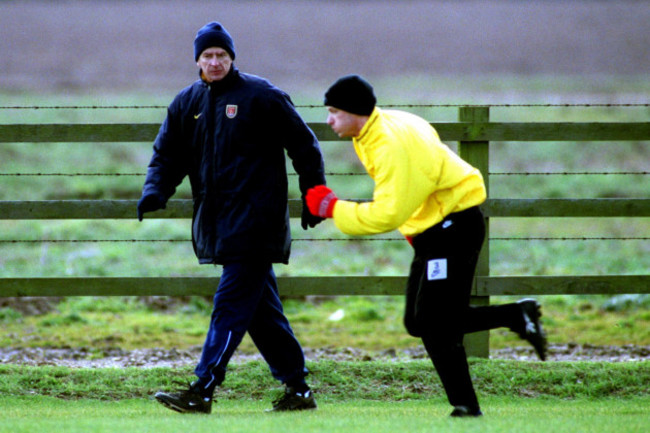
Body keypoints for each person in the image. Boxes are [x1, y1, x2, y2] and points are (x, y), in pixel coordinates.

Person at [306, 75, 547, 418]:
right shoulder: (380, 127)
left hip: (454, 228)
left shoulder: (388, 142)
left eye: (334, 111)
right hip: (435, 229)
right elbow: (420, 179)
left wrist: (332, 208)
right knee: (419, 322)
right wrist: (415, 227)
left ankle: (466, 406)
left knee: (436, 323)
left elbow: (386, 213)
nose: (329, 119)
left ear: (356, 112)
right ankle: (515, 316)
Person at [137, 21, 326, 414]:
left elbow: (305, 144)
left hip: (257, 222)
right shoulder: (187, 103)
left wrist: (313, 195)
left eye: (222, 54)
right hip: (218, 222)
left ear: (232, 57)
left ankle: (202, 388)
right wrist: (156, 190)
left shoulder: (261, 95)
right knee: (261, 314)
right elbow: (167, 154)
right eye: (208, 55)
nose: (215, 61)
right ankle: (299, 390)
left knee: (229, 305)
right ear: (197, 60)